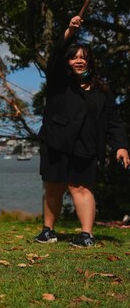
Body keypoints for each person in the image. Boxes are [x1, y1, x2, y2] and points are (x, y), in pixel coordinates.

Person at [34, 14, 130, 247]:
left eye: (83, 58)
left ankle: (87, 235)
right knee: (53, 187)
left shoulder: (102, 91)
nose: (79, 61)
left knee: (81, 188)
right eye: (74, 57)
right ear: (67, 62)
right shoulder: (59, 80)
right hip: (55, 143)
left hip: (86, 146)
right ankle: (49, 231)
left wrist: (121, 146)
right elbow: (56, 53)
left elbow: (114, 120)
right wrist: (70, 31)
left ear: (90, 62)